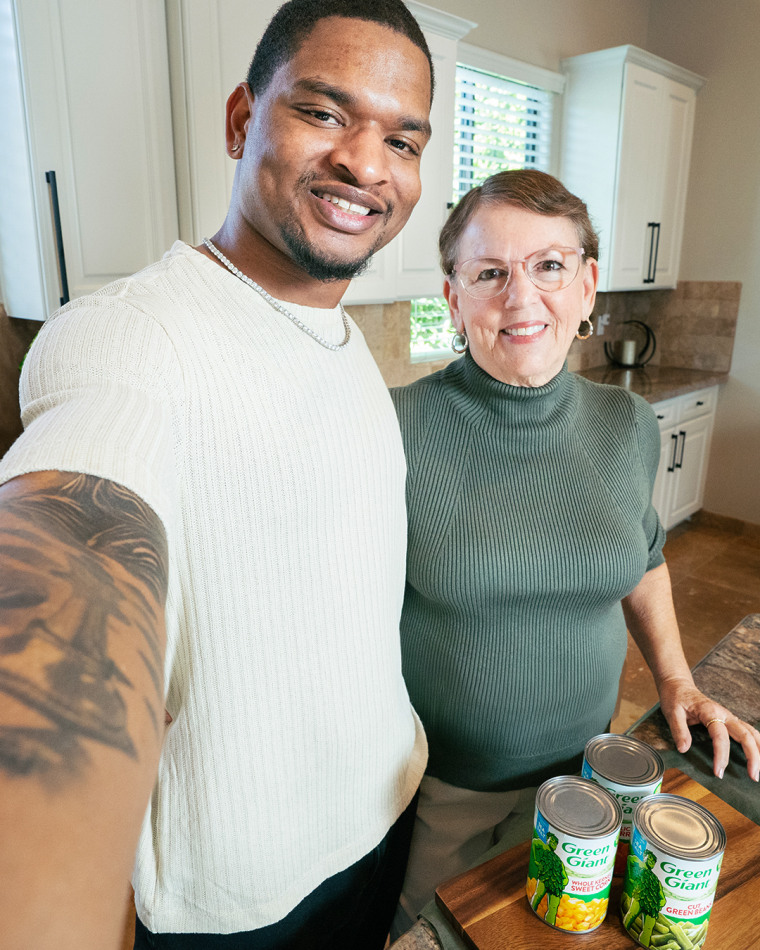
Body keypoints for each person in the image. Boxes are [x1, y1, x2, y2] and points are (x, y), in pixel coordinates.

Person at [0, 2, 435, 947]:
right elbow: (72, 552)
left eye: (402, 140)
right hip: (237, 903)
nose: (367, 164)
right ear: (243, 120)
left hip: (383, 812)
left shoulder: (345, 343)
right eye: (323, 112)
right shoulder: (128, 336)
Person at [389, 168, 760, 935]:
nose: (521, 297)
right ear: (454, 299)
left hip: (599, 776)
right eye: (490, 273)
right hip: (440, 792)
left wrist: (678, 680)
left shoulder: (627, 424)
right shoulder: (395, 430)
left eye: (549, 266)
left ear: (587, 286)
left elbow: (643, 558)